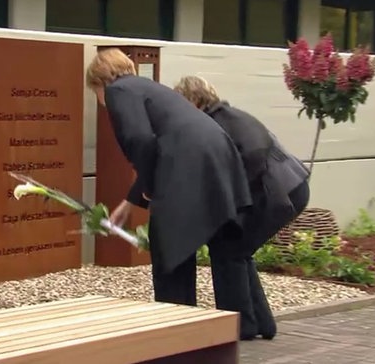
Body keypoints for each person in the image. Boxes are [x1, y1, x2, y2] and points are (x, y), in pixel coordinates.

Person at [85, 48, 254, 308]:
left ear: (100, 81)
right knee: (223, 245)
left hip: (187, 163)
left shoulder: (118, 90)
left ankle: (175, 322)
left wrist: (152, 187)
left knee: (169, 250)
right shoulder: (149, 88)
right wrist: (131, 202)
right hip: (217, 155)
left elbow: (140, 140)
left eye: (95, 92)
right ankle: (242, 324)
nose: (99, 99)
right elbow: (161, 146)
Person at [174, 75, 311, 341]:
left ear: (194, 100)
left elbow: (254, 154)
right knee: (237, 250)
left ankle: (241, 326)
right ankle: (261, 324)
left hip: (281, 193)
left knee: (228, 249)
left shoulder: (223, 121)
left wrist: (231, 201)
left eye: (181, 103)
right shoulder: (223, 117)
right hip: (288, 189)